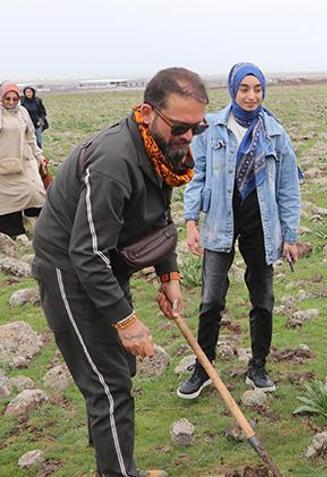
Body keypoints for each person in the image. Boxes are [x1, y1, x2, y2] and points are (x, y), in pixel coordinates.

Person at [31, 67, 208, 477]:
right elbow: (85, 252)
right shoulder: (115, 161)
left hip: (103, 264)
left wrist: (169, 275)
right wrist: (126, 321)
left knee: (118, 372)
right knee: (109, 384)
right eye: (180, 127)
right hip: (68, 271)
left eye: (197, 129)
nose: (188, 138)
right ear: (147, 112)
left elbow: (157, 217)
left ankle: (114, 463)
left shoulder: (159, 148)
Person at [178, 62, 301, 399]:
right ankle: (204, 367)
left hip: (261, 223)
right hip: (219, 221)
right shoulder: (212, 129)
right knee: (211, 298)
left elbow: (288, 188)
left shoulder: (275, 133)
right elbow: (196, 177)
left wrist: (290, 235)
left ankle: (258, 365)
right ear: (233, 90)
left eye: (257, 89)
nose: (251, 96)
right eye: (244, 89)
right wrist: (191, 222)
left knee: (263, 297)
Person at [0, 82, 47, 237]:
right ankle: (13, 233)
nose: (11, 102)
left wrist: (39, 155)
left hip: (25, 159)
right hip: (4, 163)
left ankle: (39, 227)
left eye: (14, 99)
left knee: (35, 192)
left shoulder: (22, 112)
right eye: (7, 99)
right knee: (7, 200)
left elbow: (31, 136)